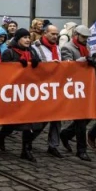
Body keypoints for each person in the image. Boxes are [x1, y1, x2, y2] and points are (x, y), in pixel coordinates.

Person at [0, 28, 42, 162]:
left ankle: (26, 150)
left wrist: (37, 63)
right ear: (18, 39)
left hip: (28, 93)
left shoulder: (32, 51)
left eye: (28, 37)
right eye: (24, 37)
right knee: (12, 122)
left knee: (29, 124)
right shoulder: (9, 52)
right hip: (14, 93)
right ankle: (2, 136)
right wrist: (15, 66)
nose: (27, 40)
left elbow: (40, 68)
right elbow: (3, 72)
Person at [60, 25, 94, 161]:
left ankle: (67, 134)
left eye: (87, 37)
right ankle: (81, 150)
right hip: (73, 86)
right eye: (83, 37)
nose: (85, 39)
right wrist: (79, 62)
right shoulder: (67, 47)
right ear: (76, 35)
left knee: (88, 117)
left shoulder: (86, 48)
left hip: (85, 85)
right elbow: (67, 67)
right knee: (81, 118)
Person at [31, 24, 64, 158]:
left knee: (57, 119)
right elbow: (35, 67)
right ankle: (29, 139)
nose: (55, 37)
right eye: (52, 34)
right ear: (45, 33)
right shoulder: (35, 47)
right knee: (42, 119)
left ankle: (53, 145)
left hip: (56, 87)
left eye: (56, 34)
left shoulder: (57, 48)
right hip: (42, 88)